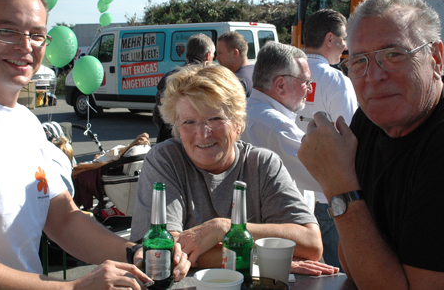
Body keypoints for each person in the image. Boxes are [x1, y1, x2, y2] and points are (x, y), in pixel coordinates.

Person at [0, 0, 189, 289]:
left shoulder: (25, 122)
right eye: (7, 30)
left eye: (37, 35)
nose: (25, 46)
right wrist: (71, 288)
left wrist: (138, 253)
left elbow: (63, 219)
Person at [298, 0, 444, 289]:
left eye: (393, 55)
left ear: (435, 58)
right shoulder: (368, 123)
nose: (374, 76)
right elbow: (353, 265)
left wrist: (338, 186)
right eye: (359, 62)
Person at [131, 64, 339, 276]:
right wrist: (262, 260)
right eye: (189, 122)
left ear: (238, 123)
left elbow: (311, 244)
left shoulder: (262, 164)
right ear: (176, 128)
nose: (202, 133)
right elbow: (166, 251)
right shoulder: (166, 160)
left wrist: (226, 228)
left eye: (215, 118)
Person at [240, 41, 341, 269]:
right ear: (281, 85)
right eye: (306, 81)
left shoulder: (245, 111)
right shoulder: (277, 127)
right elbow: (326, 174)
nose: (309, 88)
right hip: (280, 243)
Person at [297, 9, 357, 269]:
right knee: (337, 270)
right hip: (327, 193)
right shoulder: (336, 80)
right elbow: (352, 133)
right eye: (344, 38)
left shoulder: (286, 73)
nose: (346, 45)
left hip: (293, 190)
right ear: (330, 39)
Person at [153, 33, 215, 143]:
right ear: (208, 55)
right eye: (213, 56)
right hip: (198, 142)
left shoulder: (169, 77)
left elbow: (158, 114)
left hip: (168, 141)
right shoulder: (209, 79)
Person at [216, 31, 254, 97]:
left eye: (220, 53)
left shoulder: (236, 81)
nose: (217, 57)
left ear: (235, 53)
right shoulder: (258, 73)